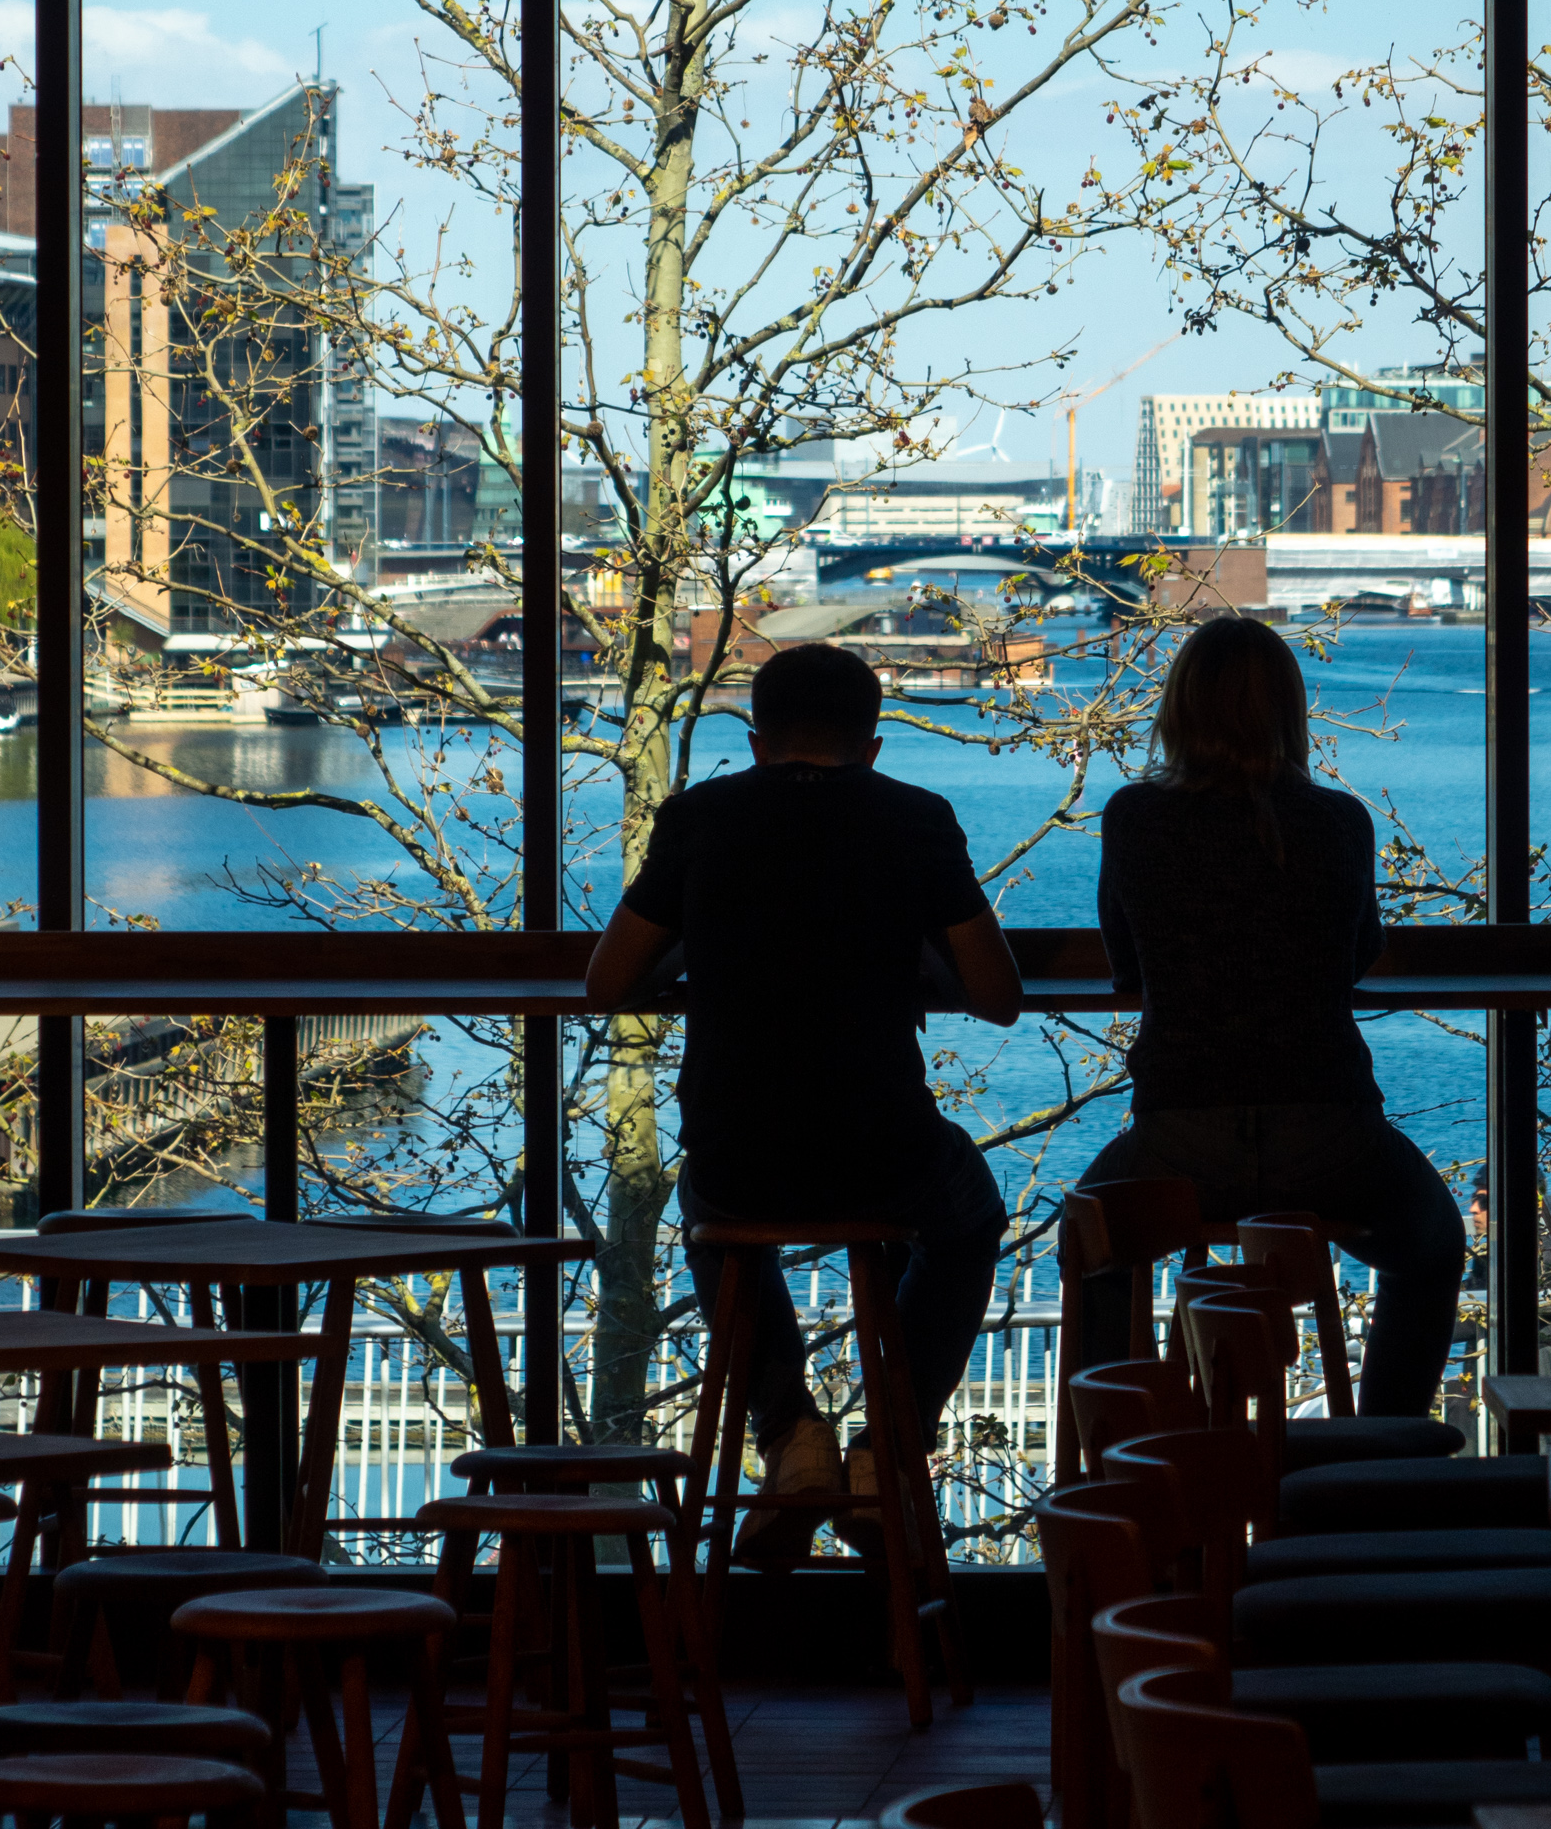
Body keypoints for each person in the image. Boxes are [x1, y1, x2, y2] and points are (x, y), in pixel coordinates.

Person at [585, 639, 1023, 1560]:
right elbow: (997, 995)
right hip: (883, 1151)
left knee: (712, 1213)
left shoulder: (699, 818)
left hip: (740, 1149)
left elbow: (608, 981)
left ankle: (791, 1438)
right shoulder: (917, 817)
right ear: (872, 745)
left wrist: (698, 945)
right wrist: (915, 948)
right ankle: (886, 1449)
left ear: (755, 742)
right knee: (971, 1217)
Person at [1078, 612, 1465, 1416]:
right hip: (1330, 1133)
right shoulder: (1341, 821)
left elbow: (1126, 967)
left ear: (1179, 709)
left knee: (1092, 1242)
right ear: (1290, 711)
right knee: (1432, 1246)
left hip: (1180, 1136)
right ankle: (1378, 1446)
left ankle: (1127, 1449)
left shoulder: (1134, 816)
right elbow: (1358, 955)